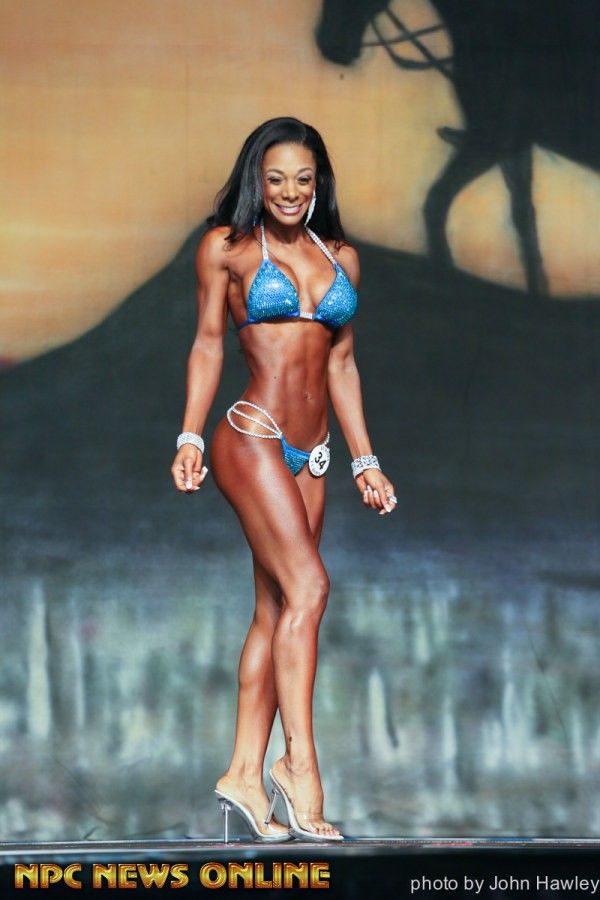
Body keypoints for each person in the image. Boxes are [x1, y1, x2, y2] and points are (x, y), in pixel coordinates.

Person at [171, 117, 396, 843]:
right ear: (257, 182)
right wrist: (188, 435)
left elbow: (341, 364)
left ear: (318, 182)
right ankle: (299, 766)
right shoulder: (228, 249)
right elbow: (208, 344)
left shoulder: (342, 257)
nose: (290, 192)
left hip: (313, 452)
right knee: (310, 590)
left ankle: (243, 772)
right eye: (275, 179)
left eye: (302, 179)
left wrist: (364, 459)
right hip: (253, 434)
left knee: (276, 611)